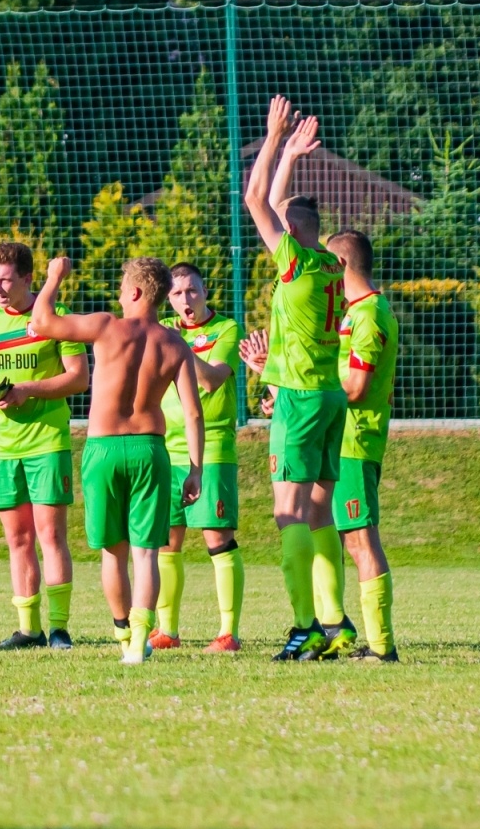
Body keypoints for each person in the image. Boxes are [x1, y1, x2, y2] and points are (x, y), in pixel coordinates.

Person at [29, 256, 204, 665]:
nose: (120, 295)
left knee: (114, 553)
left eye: (123, 288)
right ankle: (142, 638)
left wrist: (54, 277)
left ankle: (123, 632)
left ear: (137, 292)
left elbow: (42, 320)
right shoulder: (174, 343)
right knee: (147, 552)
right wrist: (196, 468)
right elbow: (193, 413)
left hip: (104, 449)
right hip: (150, 449)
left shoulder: (108, 326)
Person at [244, 231, 399, 663]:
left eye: (326, 260)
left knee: (361, 538)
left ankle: (382, 648)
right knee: (340, 533)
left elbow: (356, 385)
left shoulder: (368, 315)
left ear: (341, 265)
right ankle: (340, 629)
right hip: (342, 432)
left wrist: (307, 397)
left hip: (355, 439)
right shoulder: (354, 312)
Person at [243, 97, 349, 661]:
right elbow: (277, 204)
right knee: (319, 511)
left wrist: (274, 139)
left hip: (302, 399)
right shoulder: (331, 263)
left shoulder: (297, 264)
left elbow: (255, 199)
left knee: (288, 513)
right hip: (330, 395)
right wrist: (291, 155)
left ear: (289, 234)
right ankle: (336, 623)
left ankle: (303, 626)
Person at [0, 241, 90, 650]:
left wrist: (26, 390)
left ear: (27, 279)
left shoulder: (56, 318)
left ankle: (58, 629)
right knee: (17, 540)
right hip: (3, 447)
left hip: (47, 442)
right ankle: (28, 630)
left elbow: (78, 378)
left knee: (50, 537)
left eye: (5, 281)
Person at [153, 263, 246, 653]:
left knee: (217, 538)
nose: (185, 300)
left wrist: (180, 346)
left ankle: (228, 633)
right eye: (176, 294)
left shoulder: (225, 329)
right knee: (166, 542)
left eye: (192, 291)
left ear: (205, 291)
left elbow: (211, 379)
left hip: (211, 450)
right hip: (165, 448)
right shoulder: (162, 331)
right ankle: (166, 630)